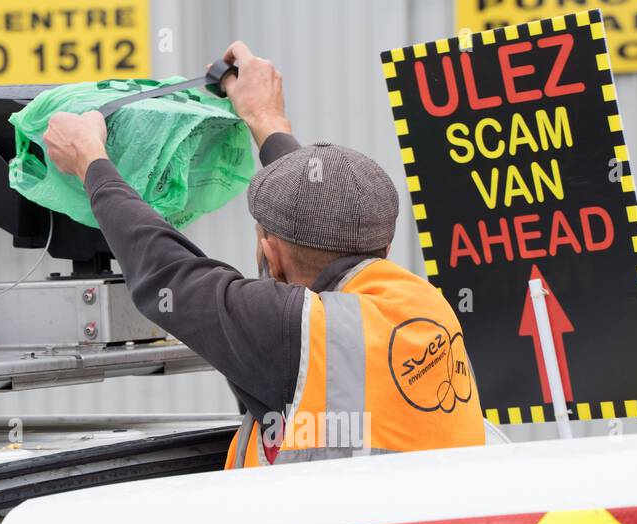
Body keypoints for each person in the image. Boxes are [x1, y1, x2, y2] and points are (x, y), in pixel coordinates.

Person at [42, 41, 486, 469]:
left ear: (270, 255)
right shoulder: (421, 304)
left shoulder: (291, 331)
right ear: (384, 247)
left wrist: (92, 162)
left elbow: (170, 275)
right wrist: (266, 118)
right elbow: (319, 211)